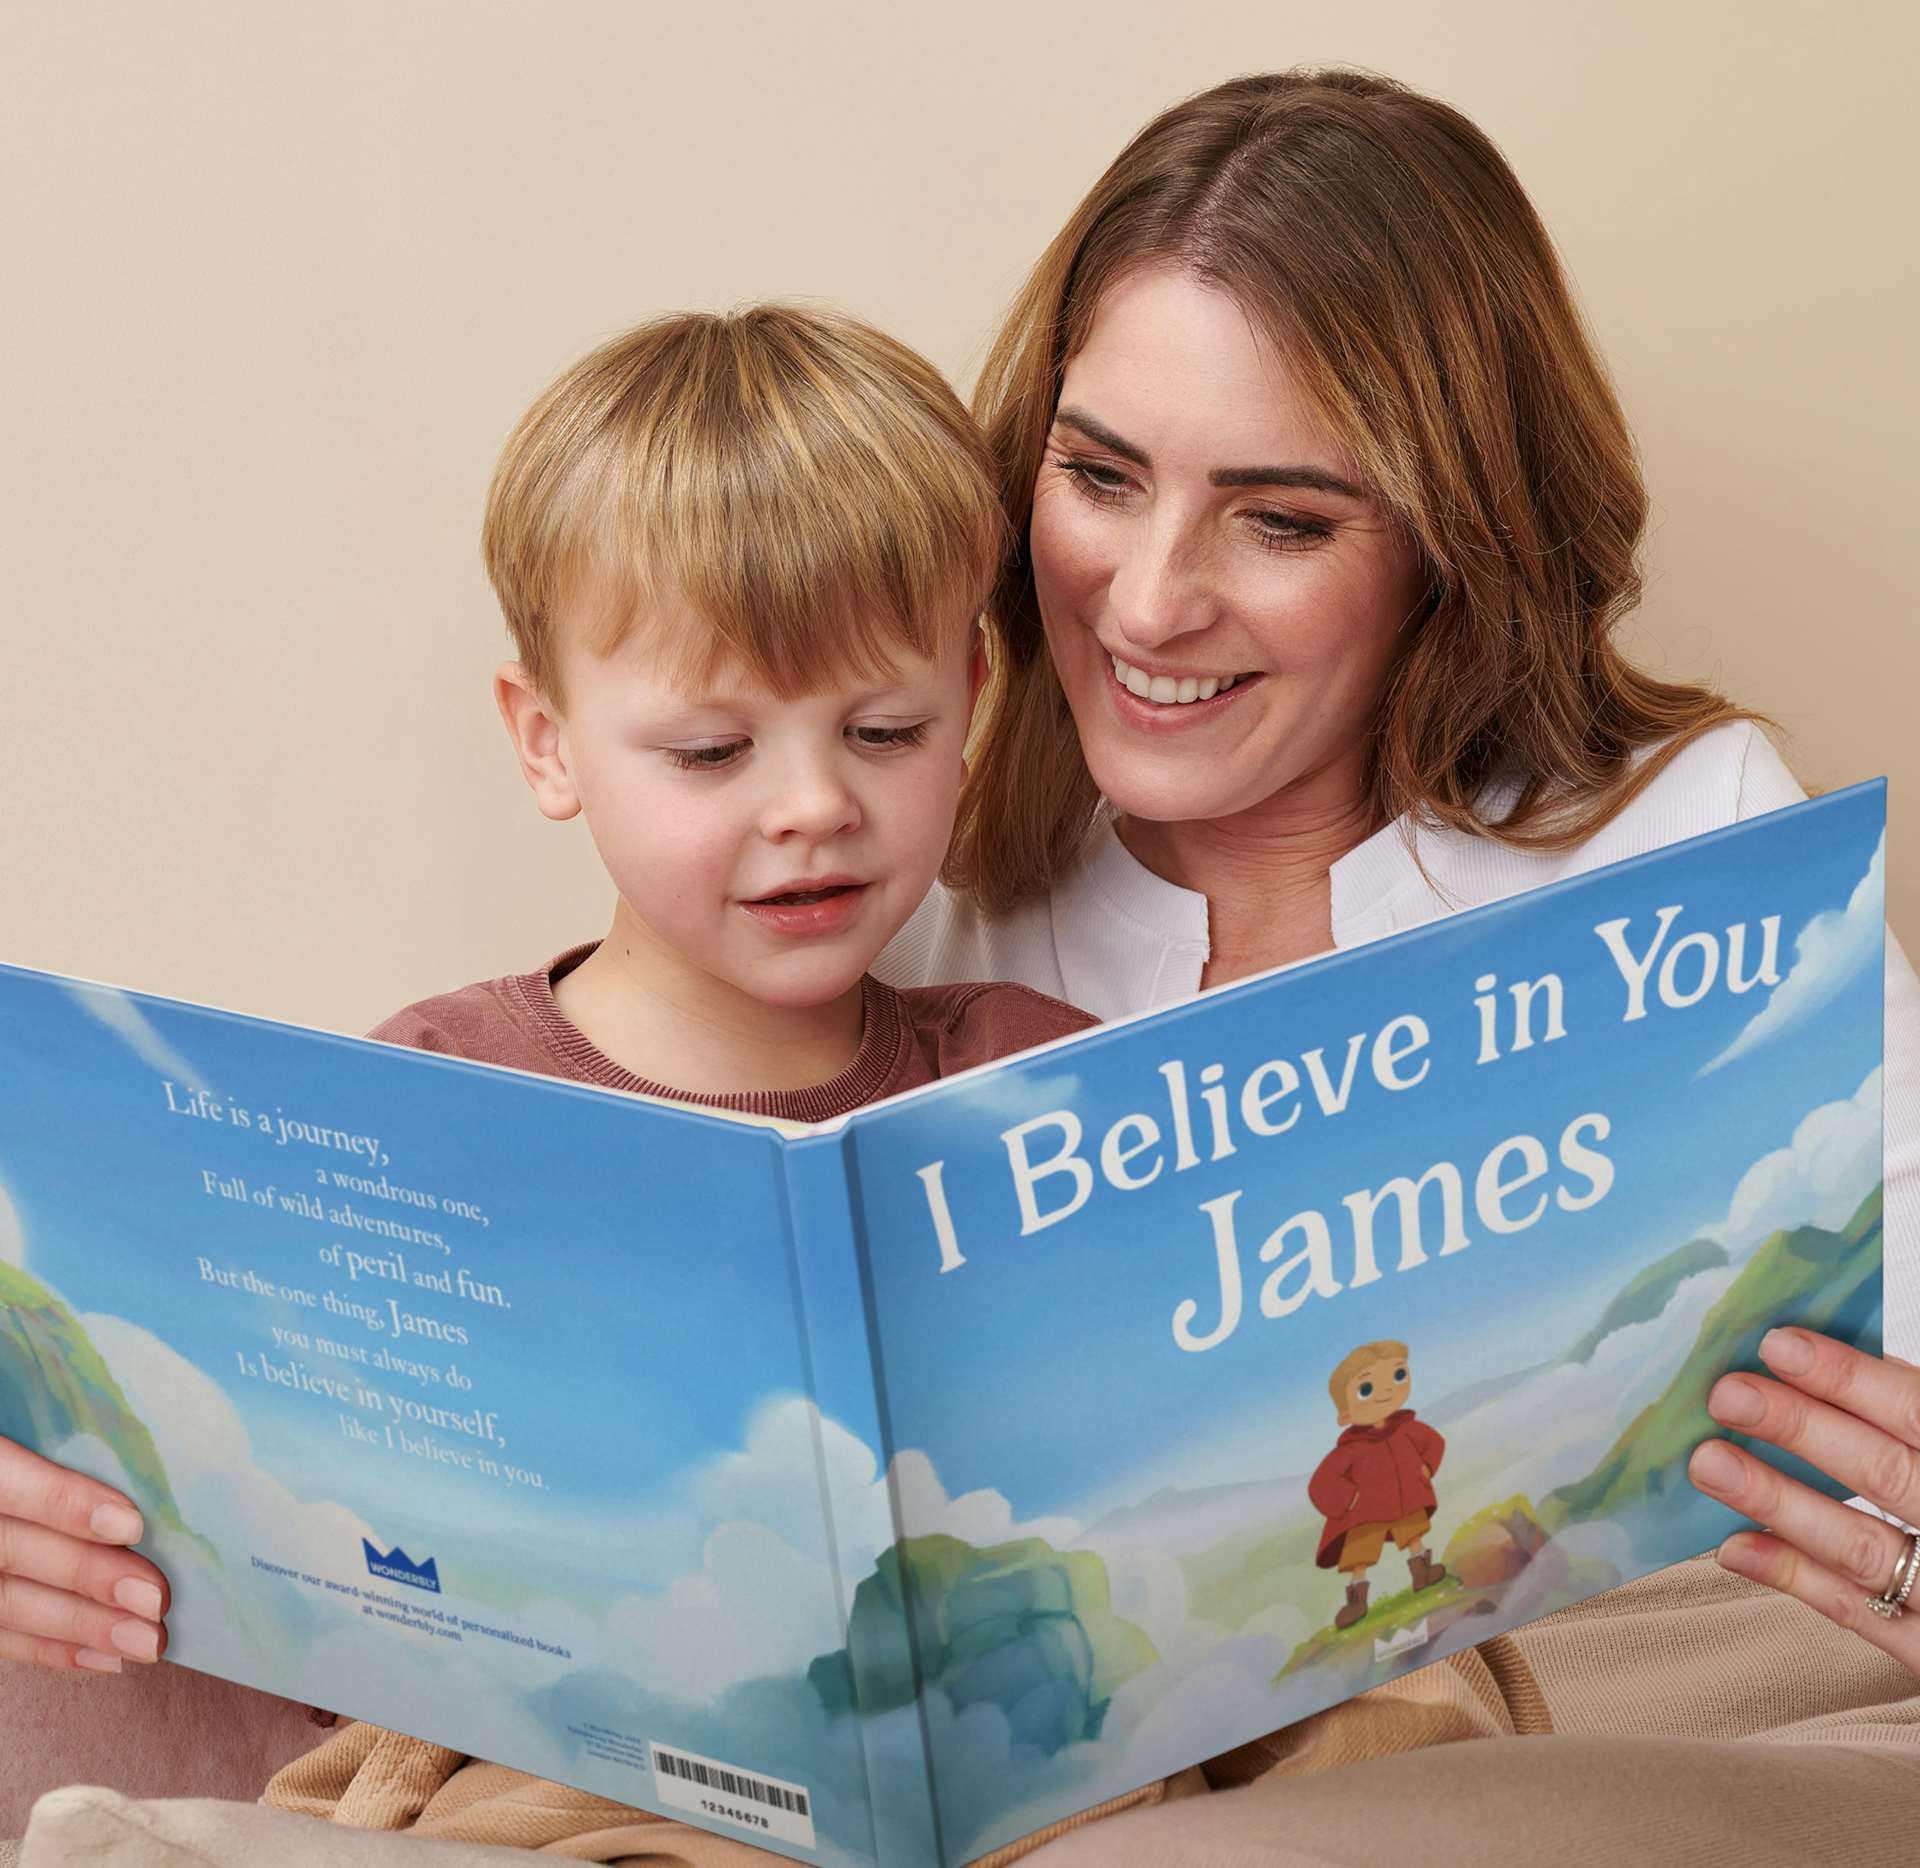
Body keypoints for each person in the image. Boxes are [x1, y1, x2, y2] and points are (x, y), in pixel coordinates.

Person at [859, 67, 1920, 1864]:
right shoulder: (923, 894)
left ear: (1449, 541)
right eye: (1101, 476)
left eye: (1280, 520)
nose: (1145, 601)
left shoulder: (1691, 845)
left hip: (1654, 1696)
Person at [0, 304, 1093, 1831]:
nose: (812, 807)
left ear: (971, 703)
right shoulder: (421, 1099)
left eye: (886, 730)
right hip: (551, 1775)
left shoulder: (1041, 1086)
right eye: (713, 754)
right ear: (546, 742)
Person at [1308, 1342, 1448, 1631]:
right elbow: (1321, 1483)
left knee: (1414, 1534)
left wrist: (1426, 1467)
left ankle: (1422, 1572)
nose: (1386, 1392)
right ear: (1345, 1416)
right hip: (1366, 1513)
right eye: (1367, 1390)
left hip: (1406, 1500)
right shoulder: (1350, 1450)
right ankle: (1357, 1601)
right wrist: (1348, 1498)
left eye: (1398, 1376)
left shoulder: (1407, 1429)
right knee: (1360, 1554)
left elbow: (1434, 1442)